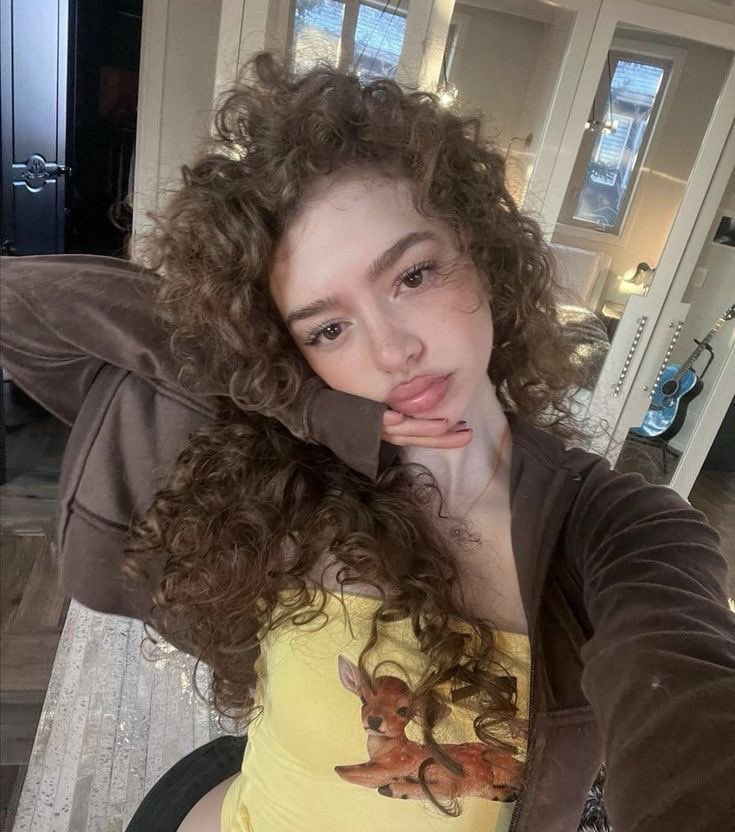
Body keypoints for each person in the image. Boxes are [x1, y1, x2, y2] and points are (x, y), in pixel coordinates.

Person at [1, 53, 733, 832]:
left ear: (481, 255)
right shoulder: (285, 473)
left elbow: (687, 706)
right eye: (327, 328)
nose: (391, 351)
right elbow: (22, 306)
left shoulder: (617, 530)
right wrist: (311, 406)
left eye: (412, 276)